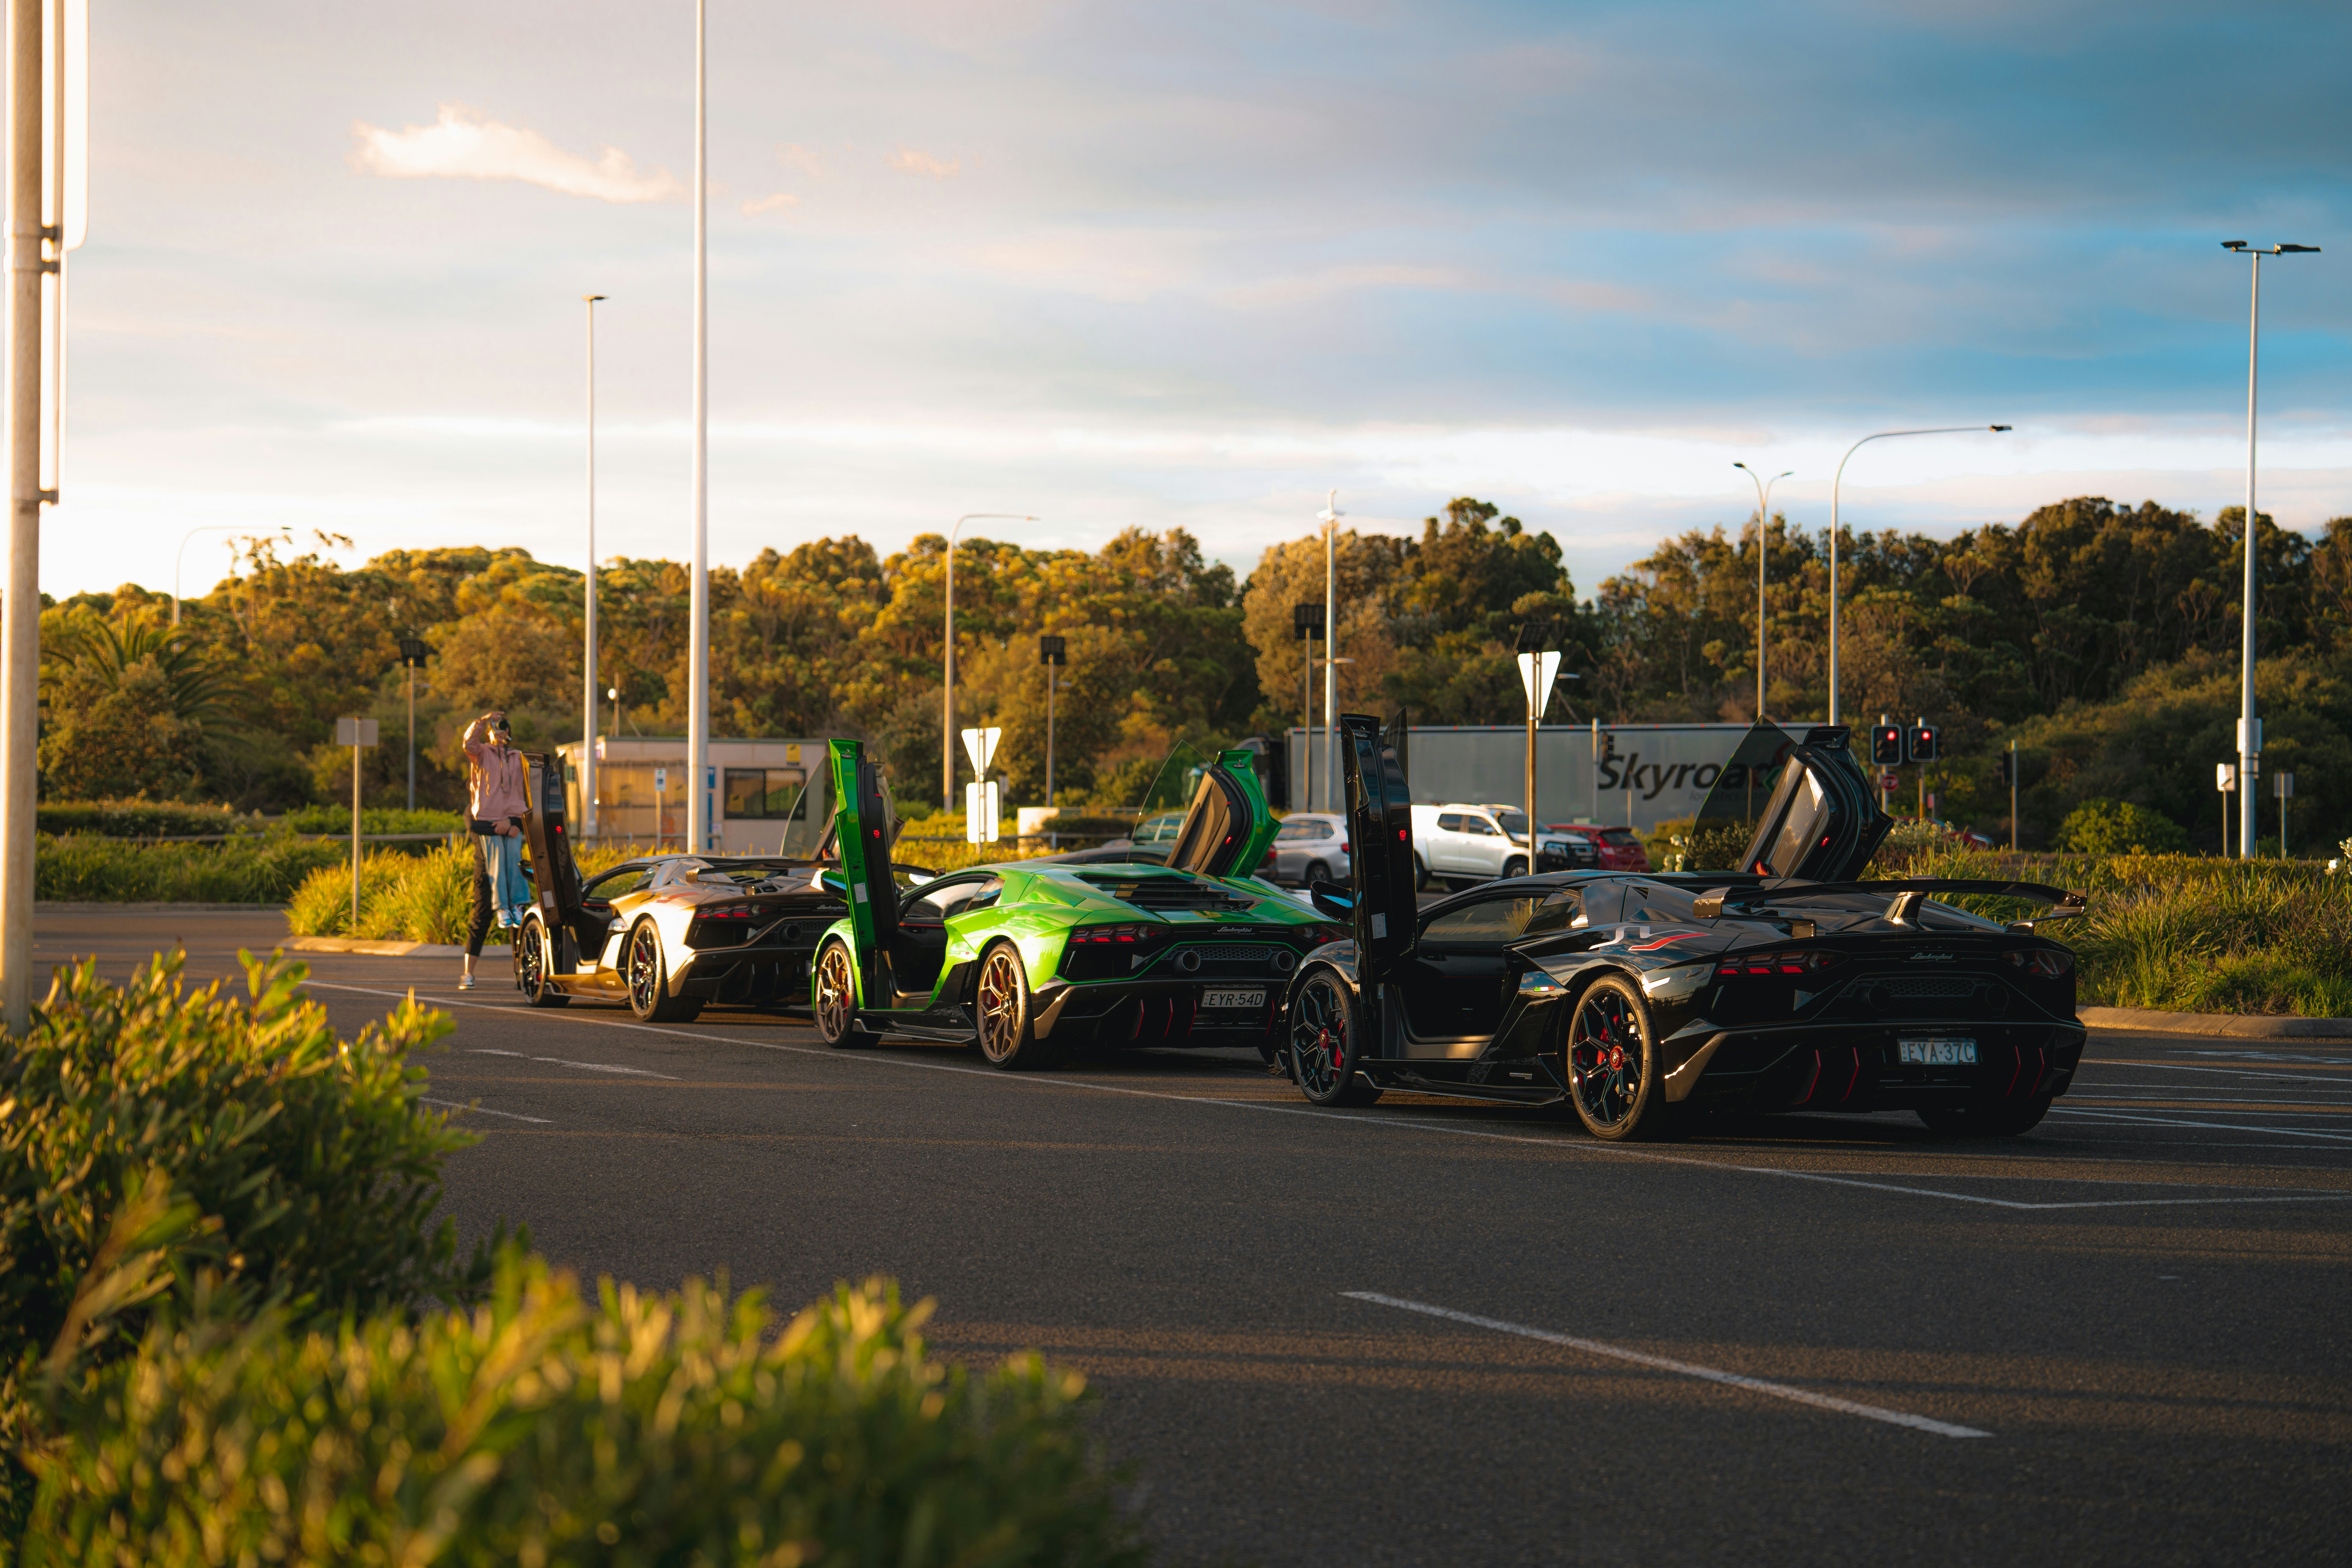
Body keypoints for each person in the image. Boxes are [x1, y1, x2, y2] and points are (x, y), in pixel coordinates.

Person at [460, 711, 531, 989]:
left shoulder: (517, 758)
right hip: (486, 860)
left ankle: (521, 972)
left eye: (503, 728)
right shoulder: (482, 757)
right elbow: (468, 744)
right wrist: (483, 720)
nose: (499, 732)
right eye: (495, 729)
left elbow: (527, 795)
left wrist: (513, 824)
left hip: (512, 826)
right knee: (482, 913)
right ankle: (468, 972)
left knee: (515, 882)